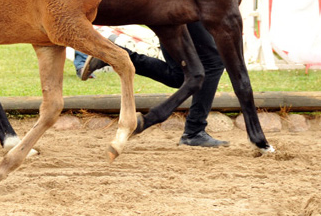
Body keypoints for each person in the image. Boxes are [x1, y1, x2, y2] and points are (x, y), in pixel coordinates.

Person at [80, 21, 229, 148]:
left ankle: (113, 54)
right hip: (186, 8)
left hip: (173, 10)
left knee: (180, 76)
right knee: (213, 63)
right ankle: (194, 131)